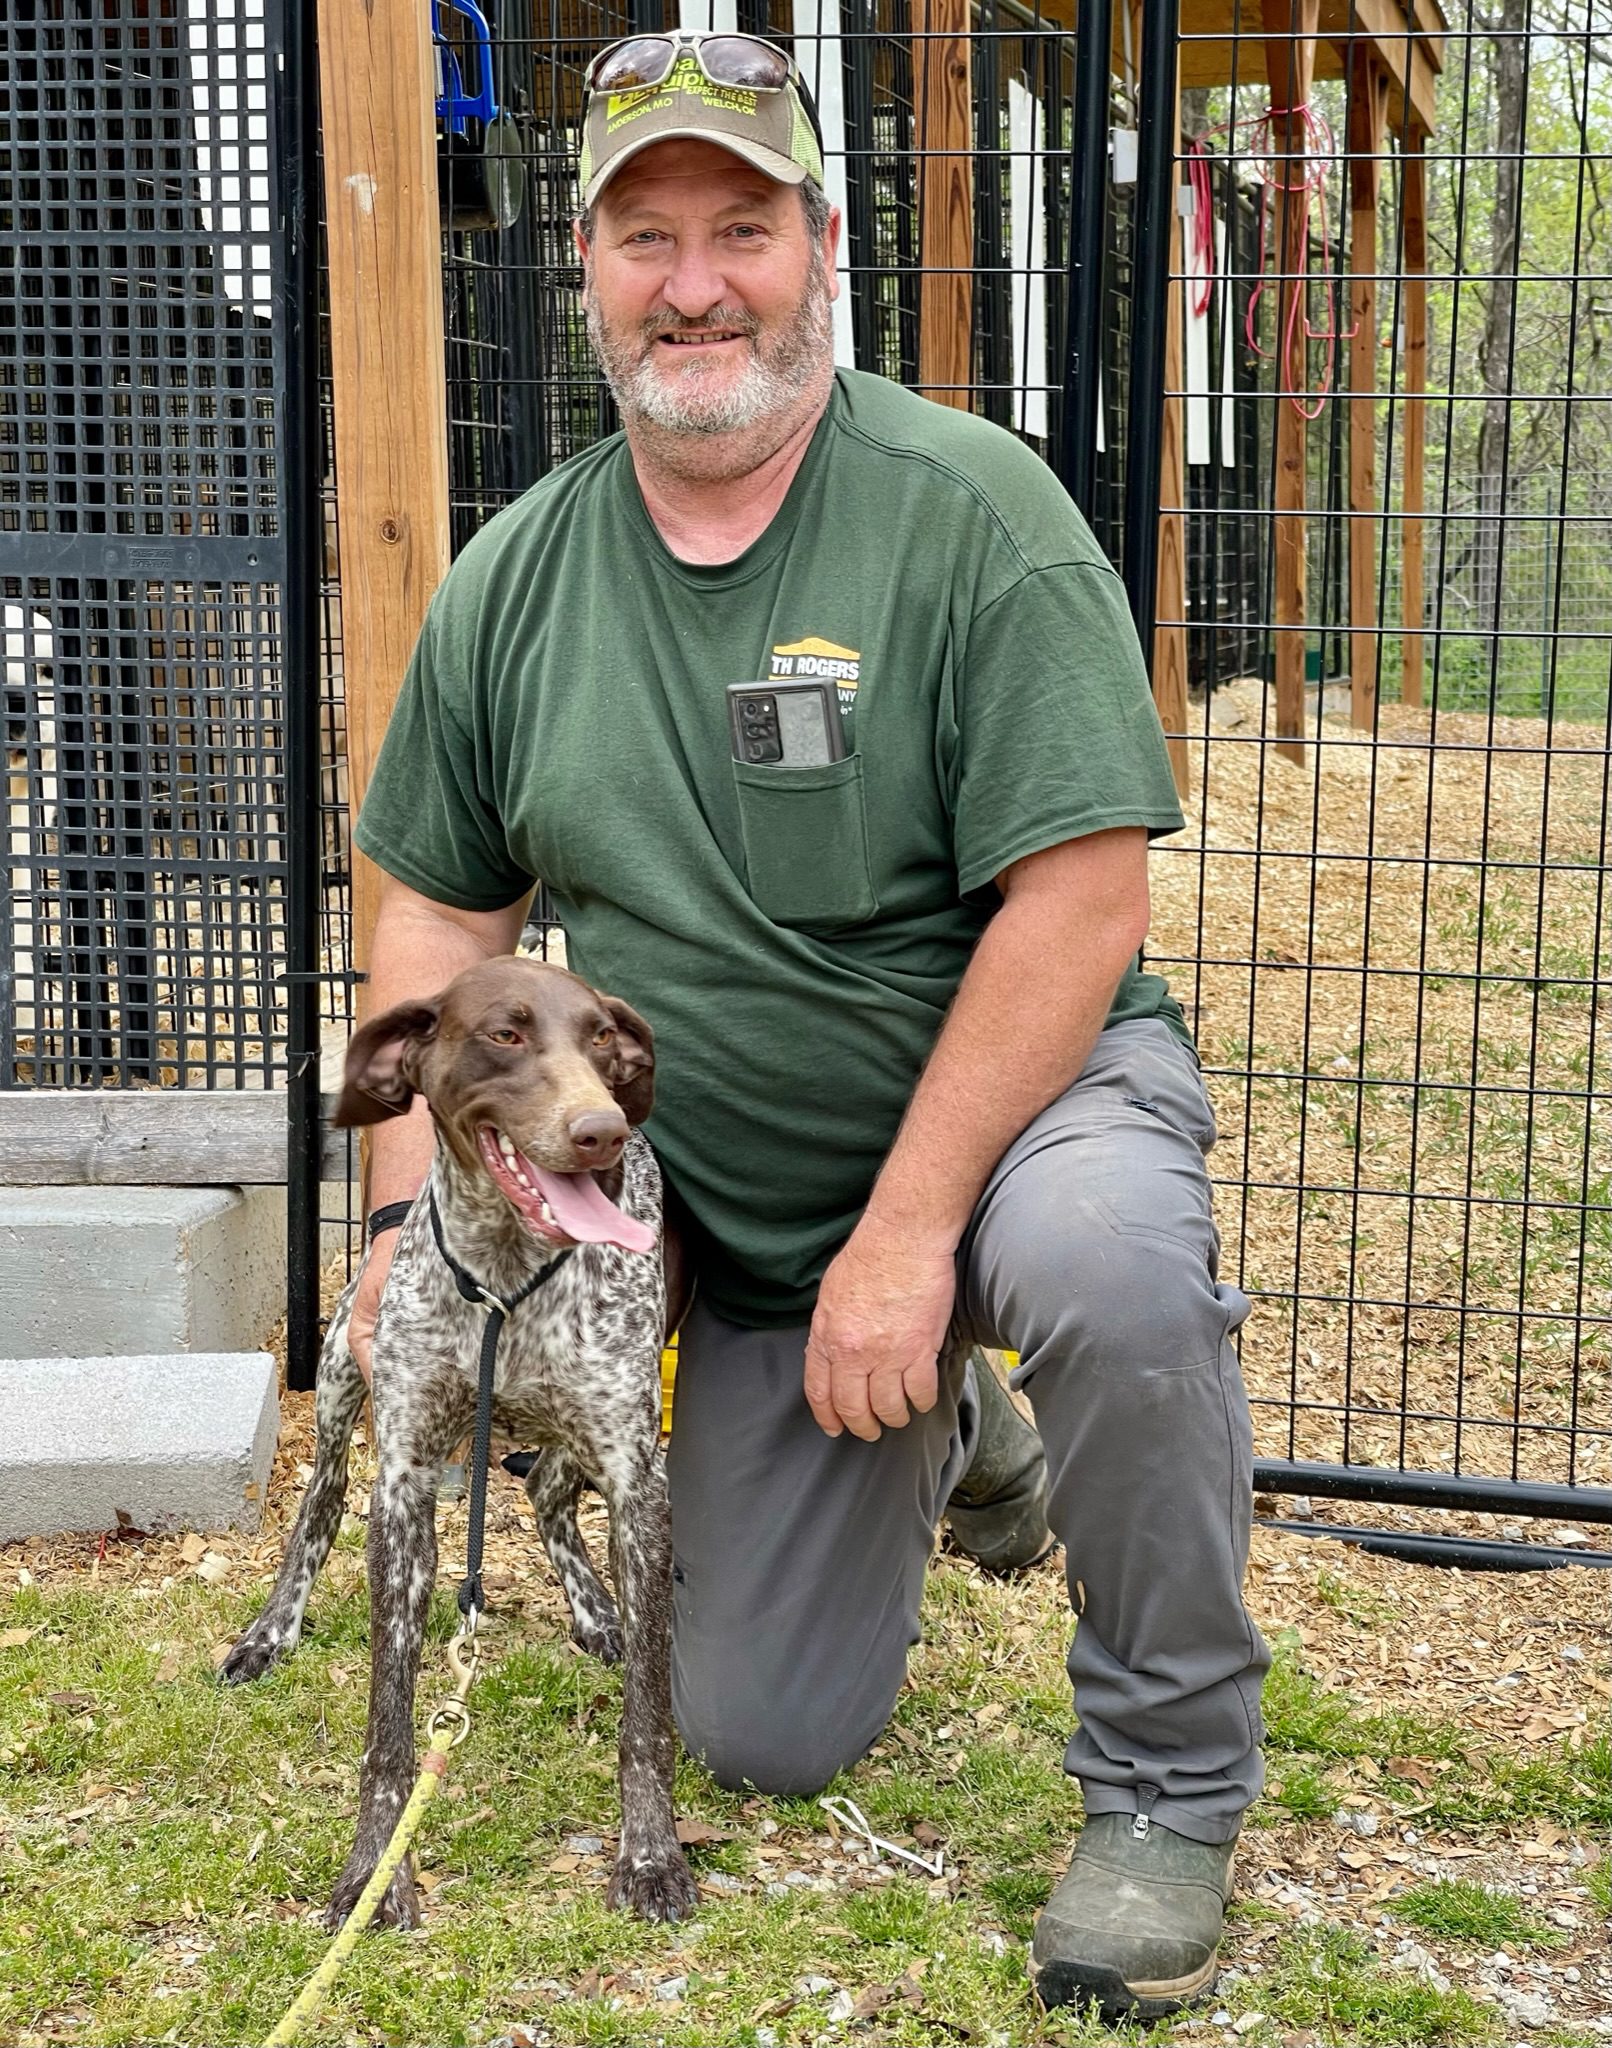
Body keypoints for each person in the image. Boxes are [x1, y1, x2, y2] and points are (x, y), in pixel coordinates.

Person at [347, 32, 1269, 2022]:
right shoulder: (514, 578)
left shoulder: (971, 516)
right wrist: (407, 1221)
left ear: (820, 248)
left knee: (1101, 1262)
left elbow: (1082, 900)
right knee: (756, 1727)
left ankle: (1166, 1789)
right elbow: (432, 900)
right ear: (581, 268)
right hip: (736, 1233)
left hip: (1018, 1108)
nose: (692, 281)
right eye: (643, 234)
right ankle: (956, 1429)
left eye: (738, 230)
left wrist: (913, 1229)